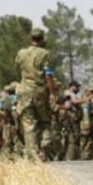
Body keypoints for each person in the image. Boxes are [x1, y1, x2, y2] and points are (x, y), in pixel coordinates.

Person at [15, 28, 57, 161]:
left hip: (25, 91)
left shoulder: (21, 53)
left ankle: (32, 155)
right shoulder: (45, 54)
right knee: (45, 122)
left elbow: (17, 68)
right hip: (40, 92)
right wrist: (53, 93)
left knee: (28, 123)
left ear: (31, 38)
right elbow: (48, 74)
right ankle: (44, 148)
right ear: (42, 39)